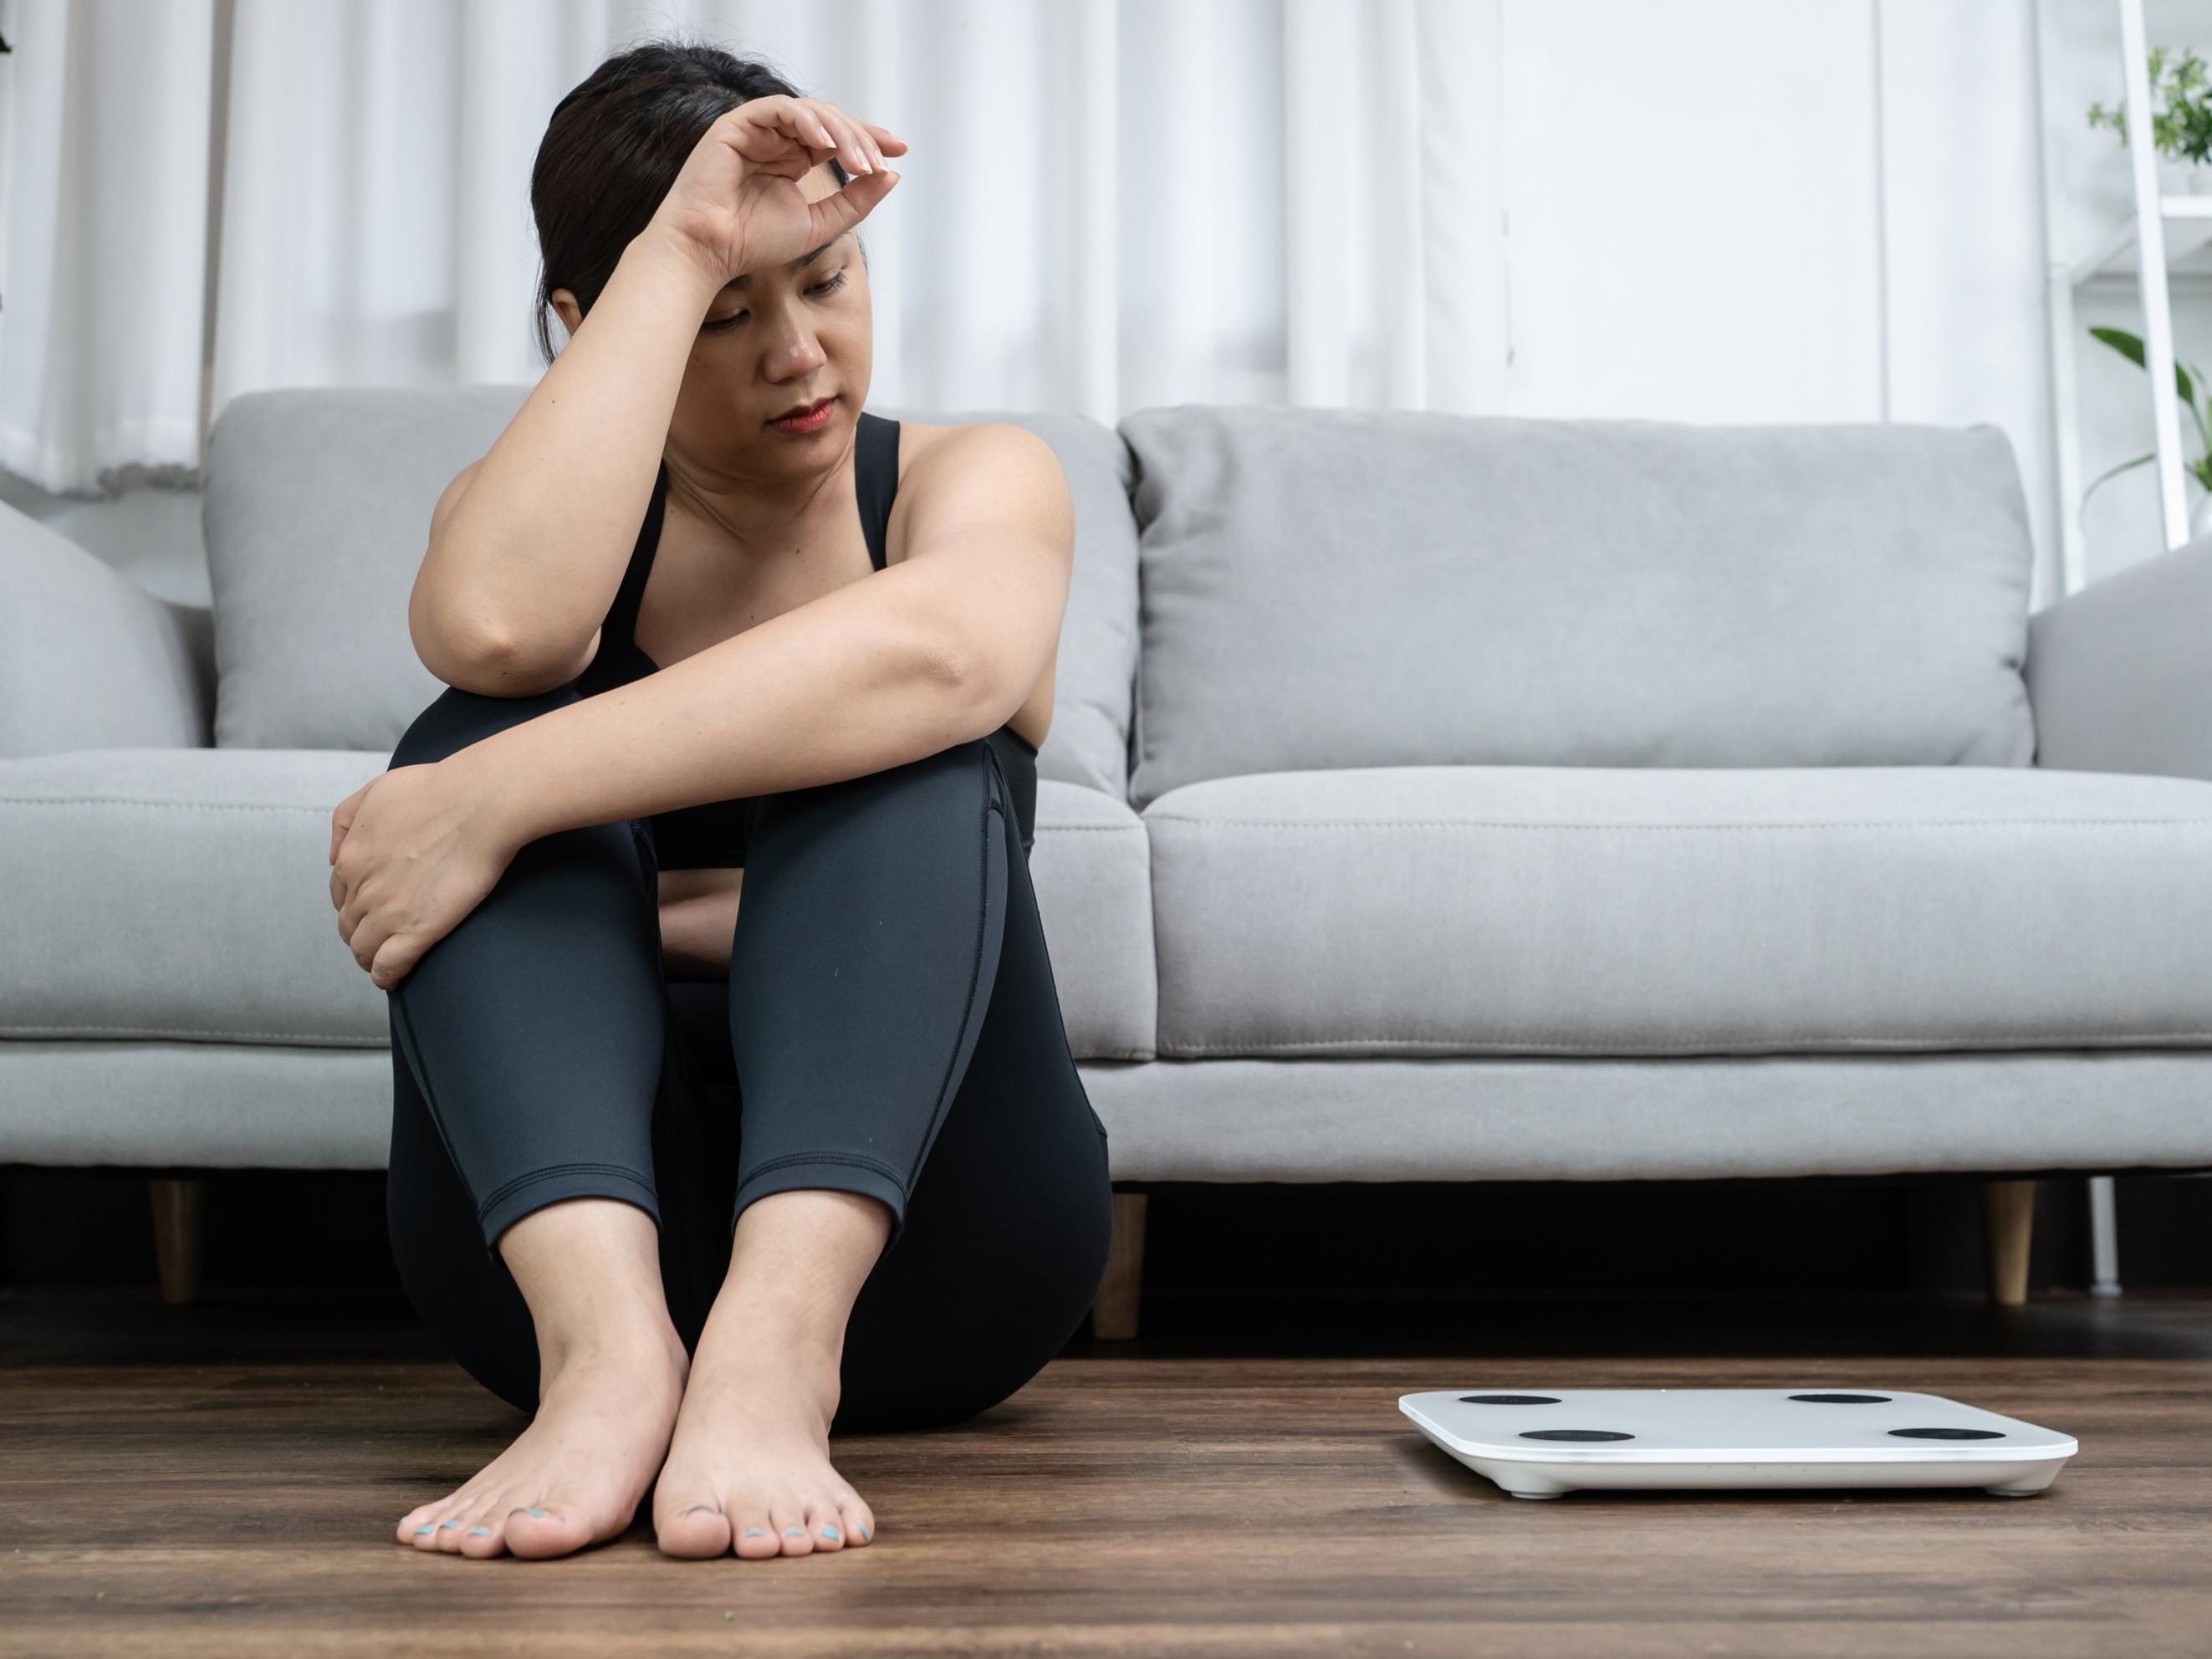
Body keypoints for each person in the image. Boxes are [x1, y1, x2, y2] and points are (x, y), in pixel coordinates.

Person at [326, 42, 1112, 1565]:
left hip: (937, 1252)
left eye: (827, 280)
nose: (799, 356)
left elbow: (945, 655)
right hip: (554, 1283)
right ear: (594, 325)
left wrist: (504, 814)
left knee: (900, 745)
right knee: (474, 716)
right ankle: (616, 1369)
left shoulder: (973, 484)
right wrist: (679, 243)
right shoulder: (533, 545)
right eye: (727, 311)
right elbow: (488, 636)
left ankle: (770, 1359)